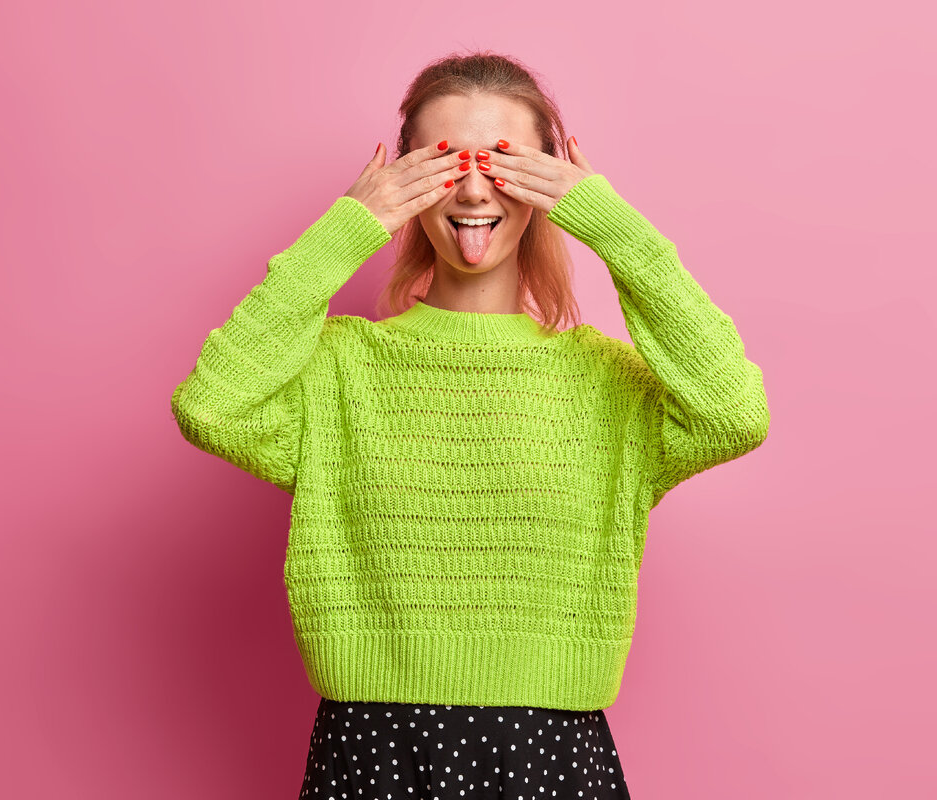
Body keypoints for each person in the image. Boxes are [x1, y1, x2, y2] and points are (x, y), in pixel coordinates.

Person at [170, 51, 770, 800]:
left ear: (552, 187)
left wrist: (617, 232)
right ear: (404, 182)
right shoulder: (341, 367)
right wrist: (345, 232)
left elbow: (735, 411)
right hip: (371, 754)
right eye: (445, 162)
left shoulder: (606, 383)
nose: (477, 187)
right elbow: (211, 404)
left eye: (506, 163)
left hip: (554, 758)